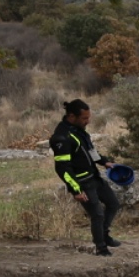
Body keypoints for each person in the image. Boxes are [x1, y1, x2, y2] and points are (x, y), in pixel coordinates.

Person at [50, 98, 120, 256]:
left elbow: (90, 151)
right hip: (82, 183)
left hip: (94, 177)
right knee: (97, 214)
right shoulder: (61, 137)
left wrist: (105, 162)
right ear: (72, 116)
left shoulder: (79, 130)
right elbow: (62, 168)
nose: (88, 121)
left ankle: (104, 235)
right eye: (84, 118)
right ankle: (101, 248)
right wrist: (76, 190)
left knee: (113, 204)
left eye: (88, 118)